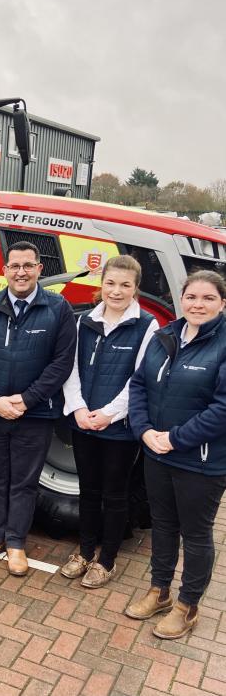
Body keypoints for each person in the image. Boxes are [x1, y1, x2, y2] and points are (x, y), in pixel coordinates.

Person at [0, 240, 76, 575]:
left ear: (40, 270)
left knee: (24, 482)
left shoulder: (58, 309)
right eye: (15, 266)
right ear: (4, 271)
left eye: (28, 265)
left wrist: (27, 400)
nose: (21, 272)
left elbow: (61, 363)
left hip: (36, 414)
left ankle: (15, 544)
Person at [126, 270, 226, 639]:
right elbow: (138, 385)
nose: (198, 304)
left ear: (222, 303)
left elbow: (223, 408)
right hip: (157, 452)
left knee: (197, 535)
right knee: (163, 526)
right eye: (191, 297)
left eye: (207, 298)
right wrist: (145, 431)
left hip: (201, 461)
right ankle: (160, 591)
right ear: (181, 299)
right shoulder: (165, 335)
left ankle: (187, 606)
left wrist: (175, 438)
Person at [61, 255, 158, 587]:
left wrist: (109, 414)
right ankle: (85, 552)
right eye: (110, 283)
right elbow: (70, 370)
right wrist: (77, 409)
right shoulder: (84, 321)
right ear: (101, 284)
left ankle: (107, 560)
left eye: (125, 285)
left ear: (136, 289)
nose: (116, 291)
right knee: (87, 491)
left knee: (114, 494)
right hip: (83, 421)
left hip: (119, 427)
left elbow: (140, 378)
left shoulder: (147, 326)